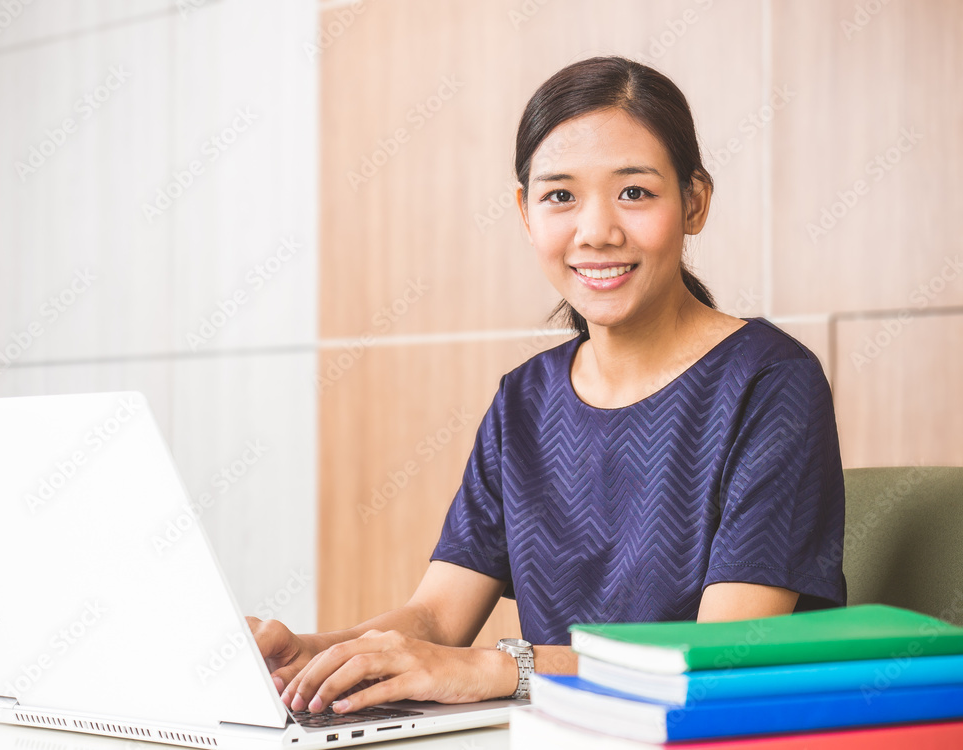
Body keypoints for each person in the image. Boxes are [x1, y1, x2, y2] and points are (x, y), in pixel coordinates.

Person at [247, 55, 846, 716]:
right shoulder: (524, 400)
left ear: (694, 202)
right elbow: (437, 621)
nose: (596, 232)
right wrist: (319, 655)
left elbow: (719, 659)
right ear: (525, 212)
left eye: (635, 192)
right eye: (560, 195)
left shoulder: (769, 381)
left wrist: (501, 667)